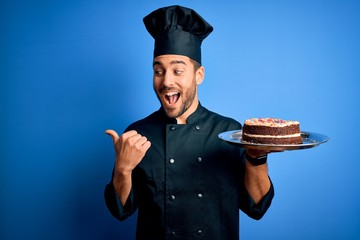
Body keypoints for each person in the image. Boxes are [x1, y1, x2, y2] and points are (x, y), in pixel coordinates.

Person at [104, 5, 274, 240]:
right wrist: (122, 169)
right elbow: (120, 210)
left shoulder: (229, 132)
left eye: (178, 70)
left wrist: (257, 158)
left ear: (199, 75)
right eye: (158, 71)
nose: (166, 81)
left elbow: (257, 206)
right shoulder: (137, 135)